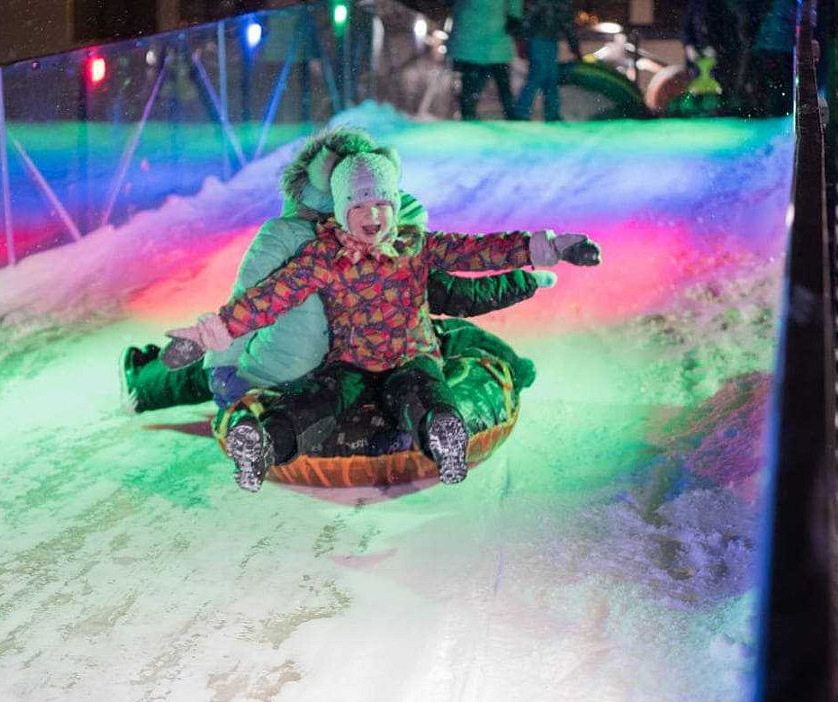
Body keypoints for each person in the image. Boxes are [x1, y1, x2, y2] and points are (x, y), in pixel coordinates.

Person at [166, 148, 600, 492]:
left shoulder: (416, 246)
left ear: (395, 204)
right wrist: (208, 335)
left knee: (421, 391)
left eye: (381, 204)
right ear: (340, 210)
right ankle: (265, 445)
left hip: (410, 355)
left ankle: (444, 436)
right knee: (316, 400)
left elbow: (477, 251)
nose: (373, 217)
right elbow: (268, 298)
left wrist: (549, 248)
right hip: (349, 362)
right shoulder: (323, 257)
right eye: (359, 206)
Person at [123, 127, 543, 413]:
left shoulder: (394, 224)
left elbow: (441, 285)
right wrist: (222, 368)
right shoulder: (290, 237)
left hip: (370, 345)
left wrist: (521, 276)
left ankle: (511, 366)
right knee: (200, 375)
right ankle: (143, 380)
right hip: (298, 359)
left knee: (447, 335)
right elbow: (249, 301)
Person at [446, 0, 523, 120]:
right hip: (490, 35)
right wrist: (514, 16)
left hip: (479, 36)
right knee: (499, 82)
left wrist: (514, 16)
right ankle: (510, 114)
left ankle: (468, 114)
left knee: (473, 82)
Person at [512, 0, 581, 121]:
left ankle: (544, 112)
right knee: (541, 75)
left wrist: (522, 37)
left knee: (547, 76)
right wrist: (574, 45)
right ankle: (524, 112)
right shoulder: (559, 4)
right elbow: (566, 22)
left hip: (544, 39)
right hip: (541, 39)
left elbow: (529, 16)